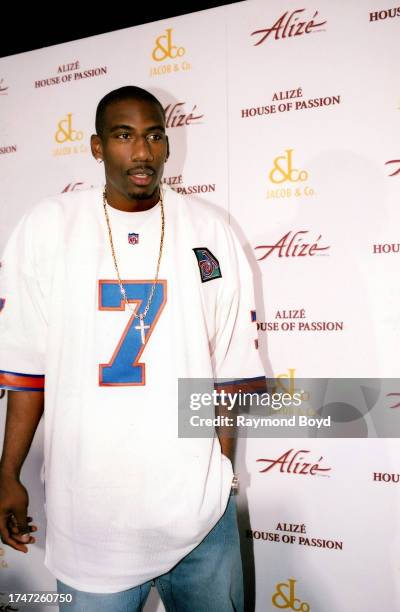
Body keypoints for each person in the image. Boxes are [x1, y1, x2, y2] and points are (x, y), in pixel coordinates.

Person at [0, 86, 265, 611]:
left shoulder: (209, 231)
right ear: (97, 147)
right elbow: (30, 372)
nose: (142, 153)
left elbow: (229, 374)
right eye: (124, 136)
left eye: (153, 136)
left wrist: (219, 471)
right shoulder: (49, 227)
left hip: (200, 521)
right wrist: (8, 473)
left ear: (167, 145)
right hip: (93, 522)